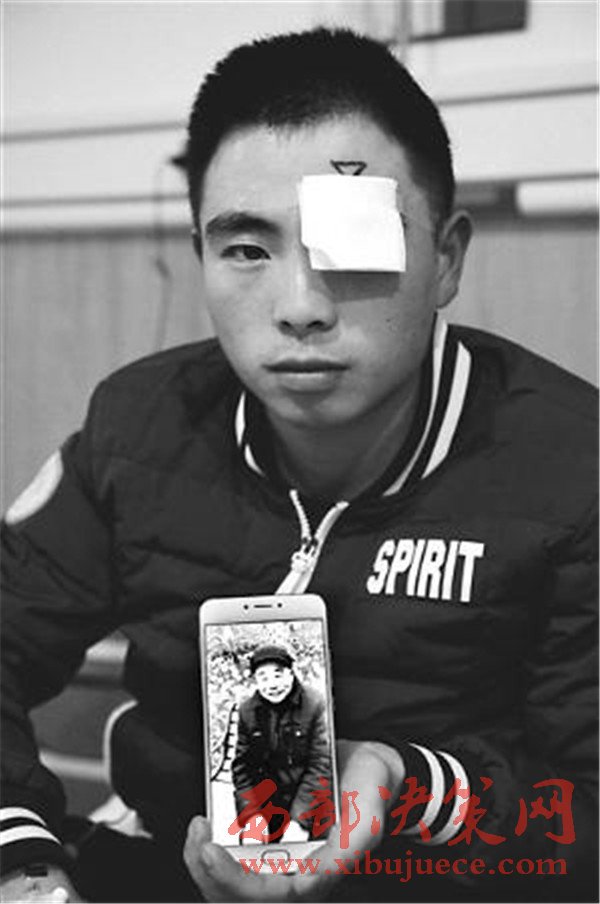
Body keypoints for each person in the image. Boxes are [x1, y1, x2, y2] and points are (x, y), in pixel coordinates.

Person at [1, 25, 597, 904]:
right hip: (164, 864)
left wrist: (407, 785)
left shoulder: (574, 468)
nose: (300, 306)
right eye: (247, 249)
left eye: (351, 242)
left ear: (446, 259)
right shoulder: (140, 426)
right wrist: (25, 866)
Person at [231, 645, 331, 843]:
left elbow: (322, 765)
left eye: (278, 675)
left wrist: (299, 821)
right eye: (263, 677)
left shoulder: (316, 703)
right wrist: (252, 816)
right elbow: (243, 768)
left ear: (291, 674)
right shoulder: (248, 711)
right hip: (268, 806)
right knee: (251, 850)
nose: (272, 685)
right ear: (255, 681)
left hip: (310, 803)